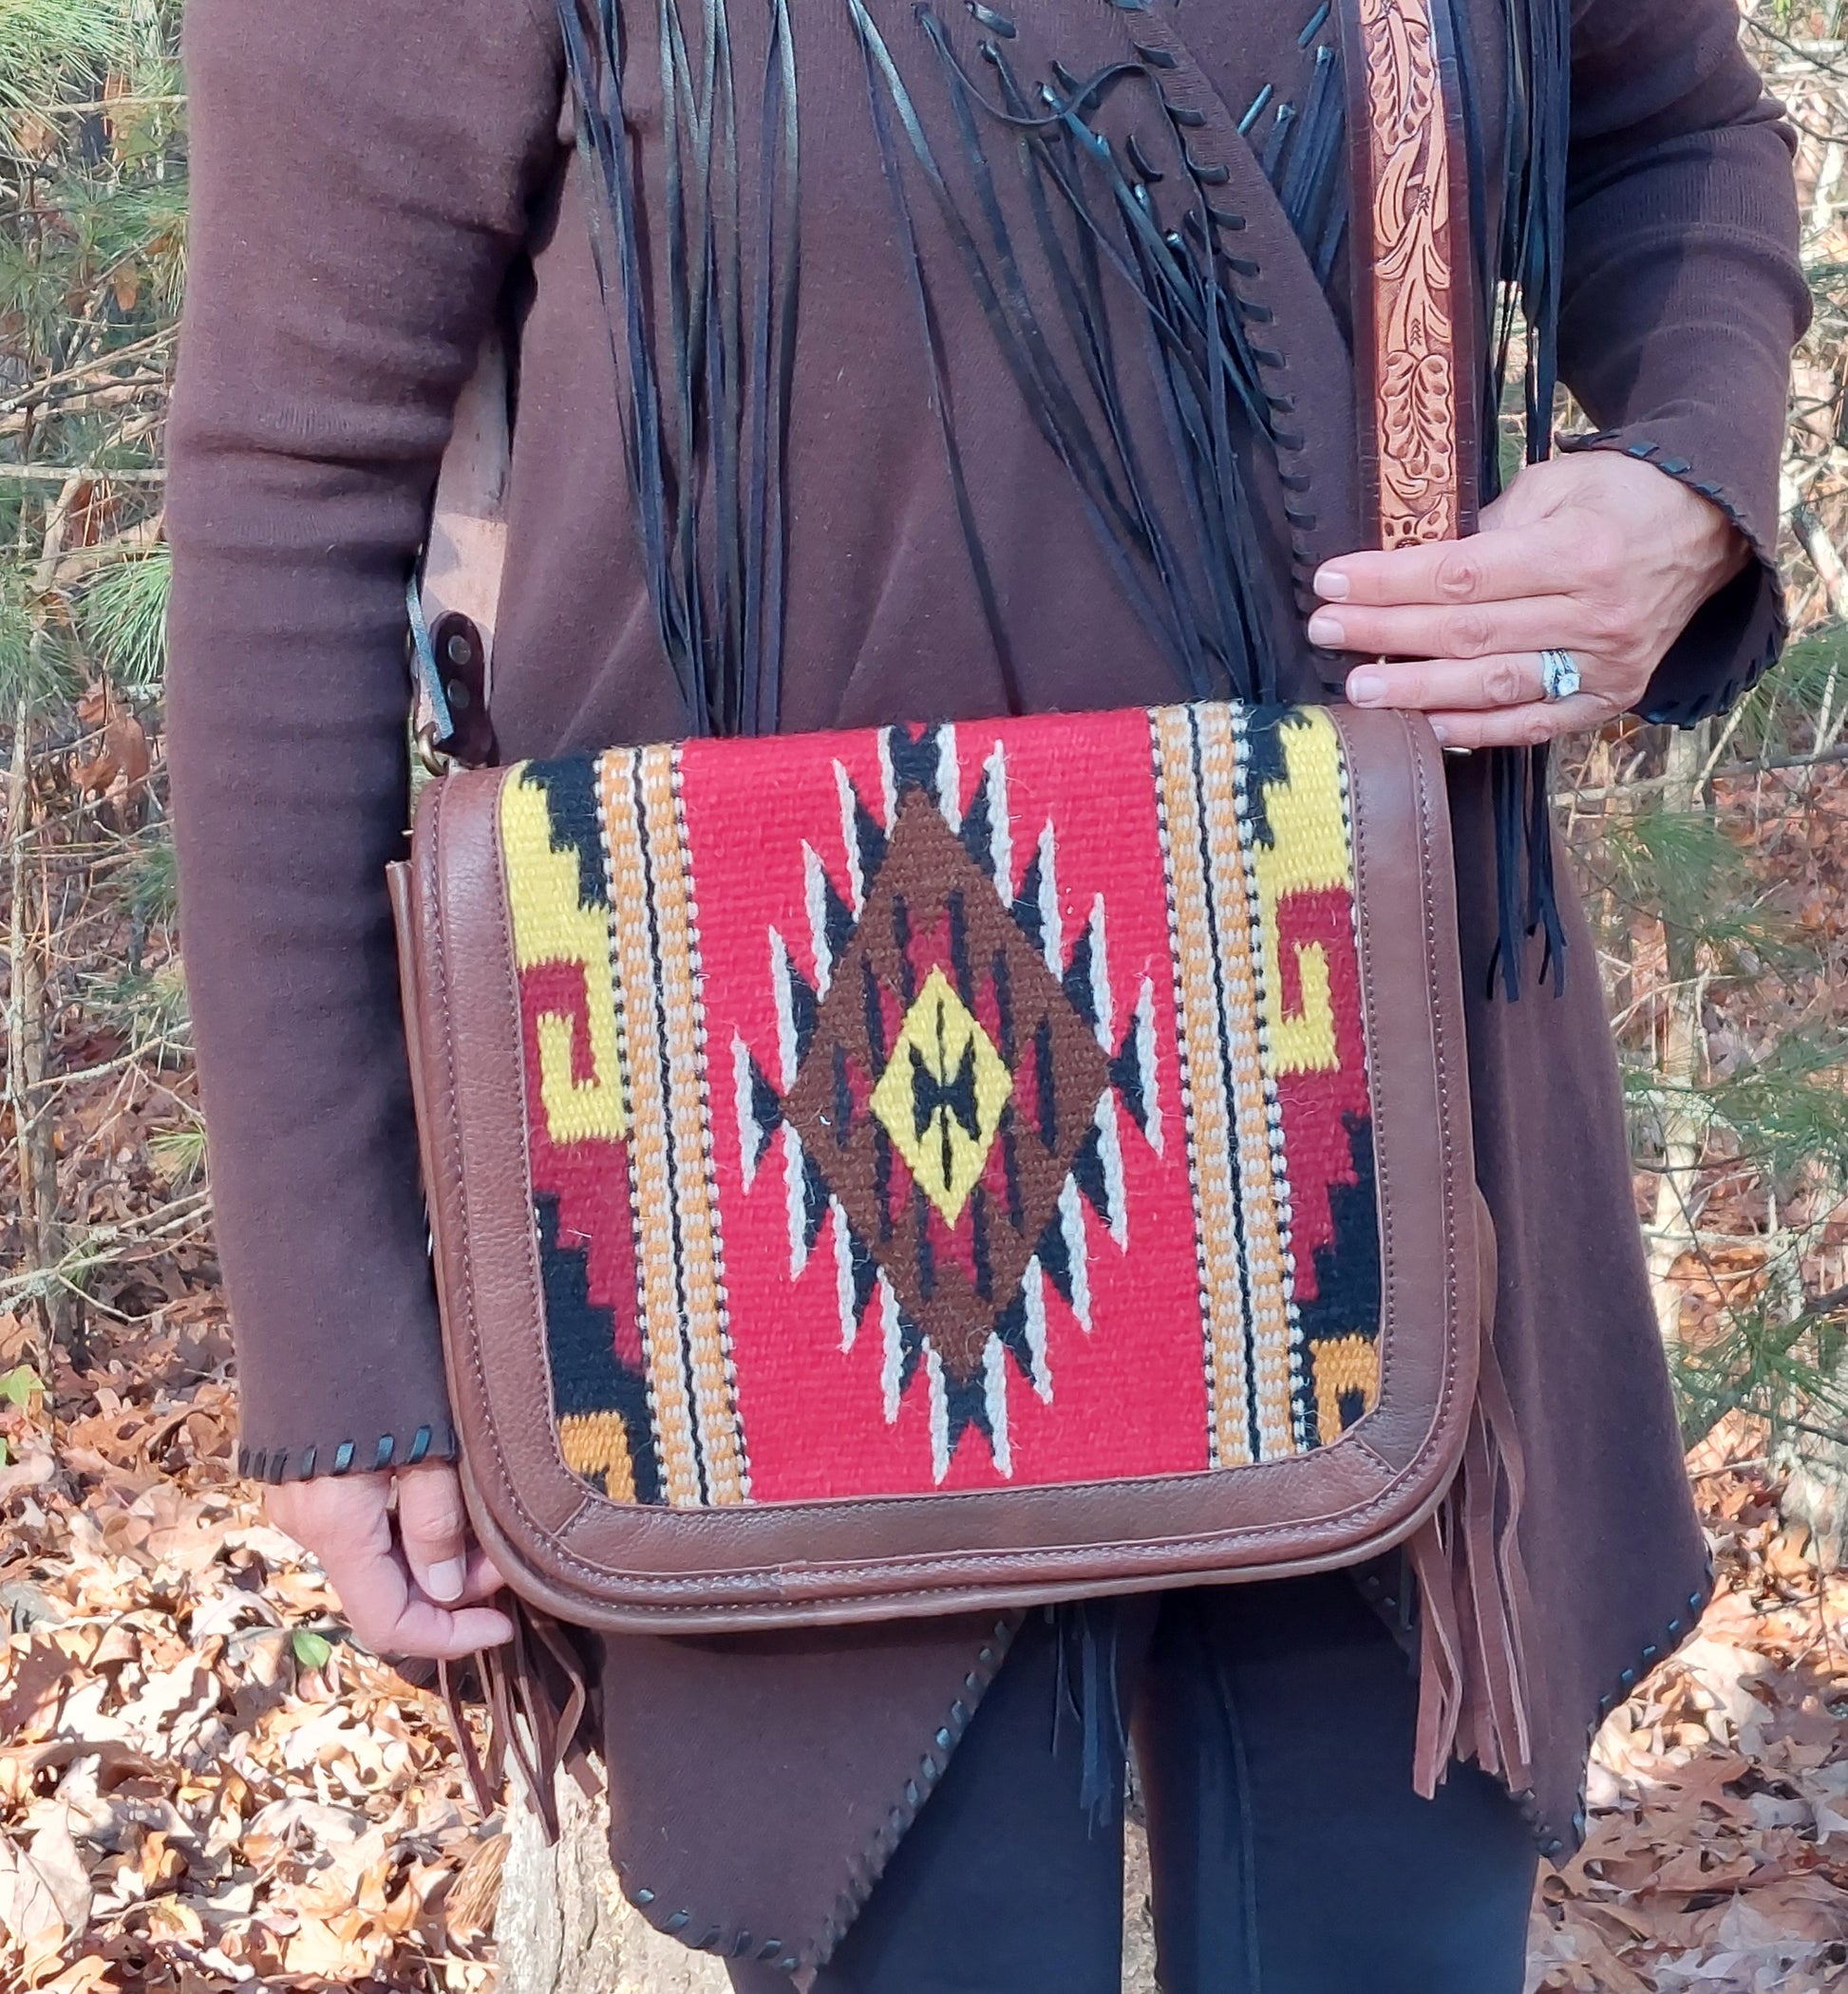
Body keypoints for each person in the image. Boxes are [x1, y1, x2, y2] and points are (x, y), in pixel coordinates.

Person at [164, 1, 1805, 1987]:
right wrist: (341, 1345)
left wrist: (1682, 481)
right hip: (783, 1195)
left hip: (1381, 1126)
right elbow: (291, 499)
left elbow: (1673, 136)